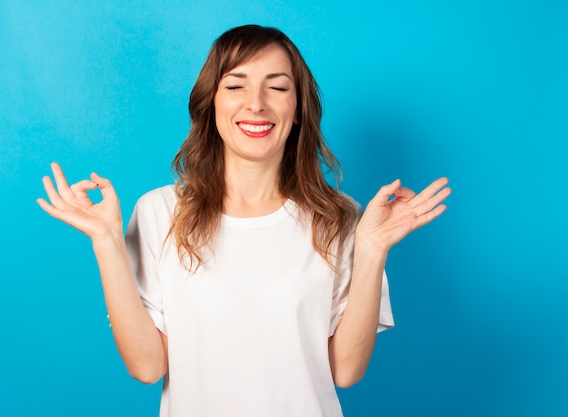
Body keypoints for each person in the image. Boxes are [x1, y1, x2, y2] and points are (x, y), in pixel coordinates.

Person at [37, 24, 450, 417]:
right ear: (210, 103)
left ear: (298, 109)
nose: (257, 103)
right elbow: (147, 367)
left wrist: (372, 249)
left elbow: (345, 370)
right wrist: (106, 241)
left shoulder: (339, 217)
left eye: (278, 86)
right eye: (235, 85)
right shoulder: (158, 212)